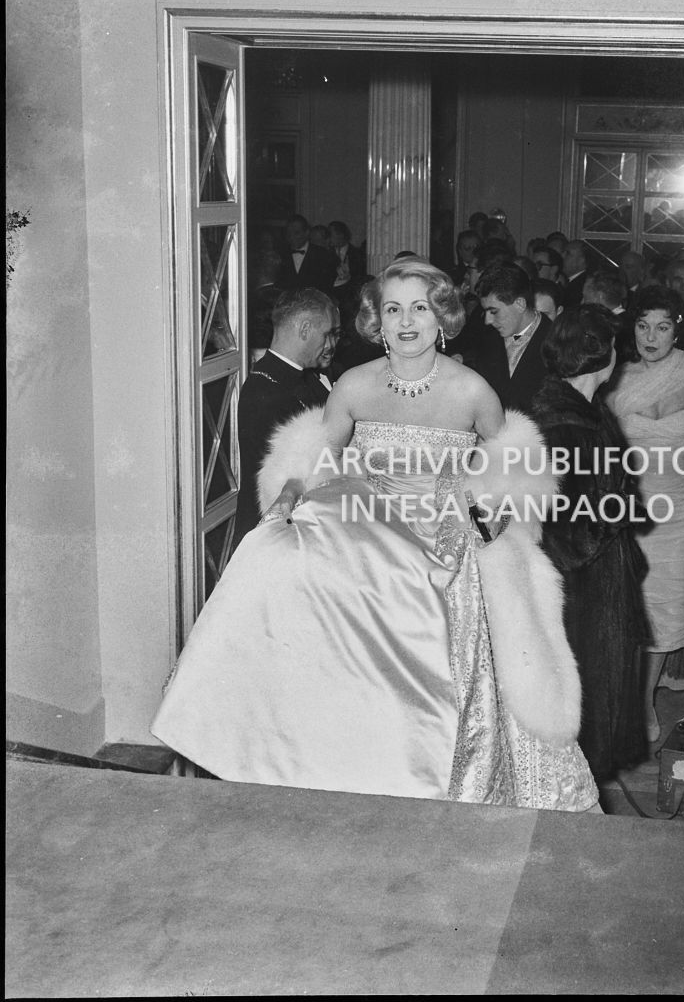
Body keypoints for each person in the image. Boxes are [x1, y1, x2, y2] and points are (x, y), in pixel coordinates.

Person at [152, 257, 599, 814]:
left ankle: (436, 784)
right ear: (376, 321)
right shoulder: (353, 385)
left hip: (443, 542)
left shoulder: (472, 390)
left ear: (442, 317)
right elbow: (311, 457)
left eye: (419, 308)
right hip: (365, 532)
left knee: (439, 673)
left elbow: (514, 463)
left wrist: (498, 507)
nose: (406, 321)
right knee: (271, 564)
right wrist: (287, 498)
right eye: (393, 309)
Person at [531, 304, 651, 784]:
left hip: (590, 580)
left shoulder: (581, 413)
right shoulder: (568, 427)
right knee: (587, 693)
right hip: (582, 590)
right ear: (603, 358)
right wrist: (616, 513)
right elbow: (565, 529)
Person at [604, 286, 684, 742]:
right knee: (624, 606)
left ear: (678, 328)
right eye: (643, 325)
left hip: (679, 509)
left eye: (663, 326)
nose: (652, 336)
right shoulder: (615, 376)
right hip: (628, 509)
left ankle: (646, 702)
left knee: (665, 609)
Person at [231, 288, 338, 552]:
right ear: (304, 329)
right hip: (273, 533)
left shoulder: (306, 377)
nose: (330, 344)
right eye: (327, 334)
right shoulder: (263, 391)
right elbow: (286, 481)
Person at [473, 262, 552, 415]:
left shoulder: (557, 342)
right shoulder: (488, 336)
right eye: (485, 312)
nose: (487, 321)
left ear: (520, 304)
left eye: (494, 311)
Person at [278, 214, 338, 297]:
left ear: (307, 233)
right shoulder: (280, 255)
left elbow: (328, 288)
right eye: (288, 233)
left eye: (296, 233)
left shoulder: (323, 255)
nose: (291, 237)